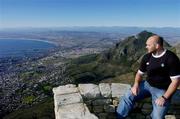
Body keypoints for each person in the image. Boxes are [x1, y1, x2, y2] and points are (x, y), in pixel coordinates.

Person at [116, 35, 180, 119]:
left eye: (148, 45)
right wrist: (135, 85)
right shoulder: (147, 57)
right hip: (147, 85)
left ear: (157, 46)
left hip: (162, 90)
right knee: (128, 96)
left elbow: (176, 81)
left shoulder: (171, 58)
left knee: (158, 117)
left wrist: (164, 97)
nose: (146, 47)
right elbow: (139, 74)